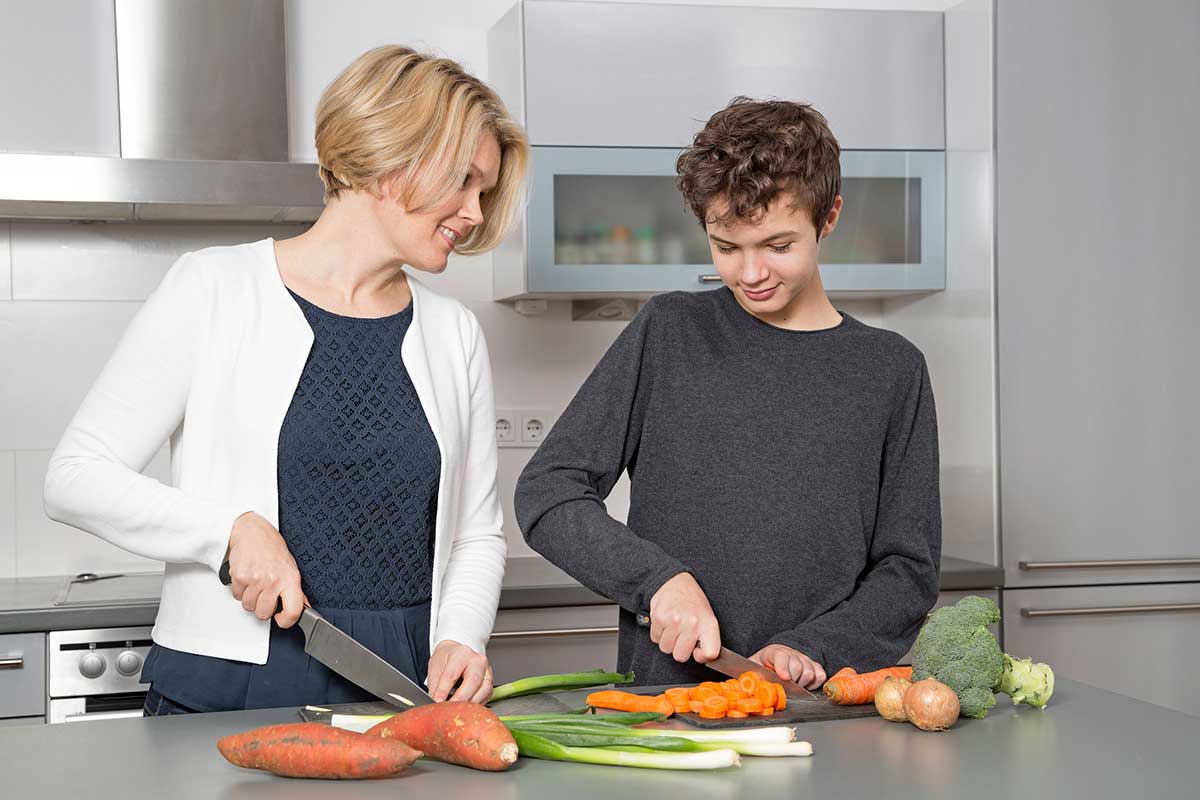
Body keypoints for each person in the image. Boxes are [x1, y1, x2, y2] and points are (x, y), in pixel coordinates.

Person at [43, 46, 528, 714]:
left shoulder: (454, 333)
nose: (475, 213)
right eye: (465, 181)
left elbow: (476, 532)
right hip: (231, 678)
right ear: (392, 156)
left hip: (399, 681)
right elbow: (75, 474)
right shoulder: (213, 288)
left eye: (485, 191)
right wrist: (229, 531)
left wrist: (462, 639)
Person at [514, 97, 941, 690]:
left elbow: (907, 571)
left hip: (818, 708)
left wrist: (812, 646)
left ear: (830, 216)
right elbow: (548, 492)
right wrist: (658, 580)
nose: (750, 273)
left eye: (779, 245)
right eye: (726, 246)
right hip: (669, 705)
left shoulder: (892, 371)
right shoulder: (669, 333)